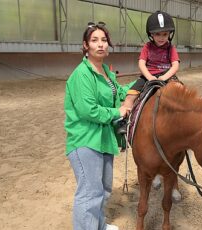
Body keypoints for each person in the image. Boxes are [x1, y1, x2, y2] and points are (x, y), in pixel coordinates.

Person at [64, 22, 134, 230]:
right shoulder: (82, 74)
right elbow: (89, 110)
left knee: (103, 188)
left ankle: (99, 225)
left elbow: (118, 94)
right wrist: (117, 112)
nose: (100, 45)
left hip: (103, 138)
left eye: (104, 40)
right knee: (89, 191)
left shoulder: (104, 71)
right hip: (86, 140)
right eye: (94, 40)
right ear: (86, 45)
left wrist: (140, 84)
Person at [118, 10, 180, 134]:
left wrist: (164, 77)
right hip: (148, 76)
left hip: (167, 75)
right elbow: (141, 63)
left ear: (169, 34)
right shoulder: (147, 47)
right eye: (157, 34)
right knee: (130, 96)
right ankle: (124, 121)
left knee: (182, 91)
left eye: (165, 34)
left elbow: (175, 65)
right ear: (151, 34)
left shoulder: (171, 48)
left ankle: (183, 121)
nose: (161, 37)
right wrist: (149, 77)